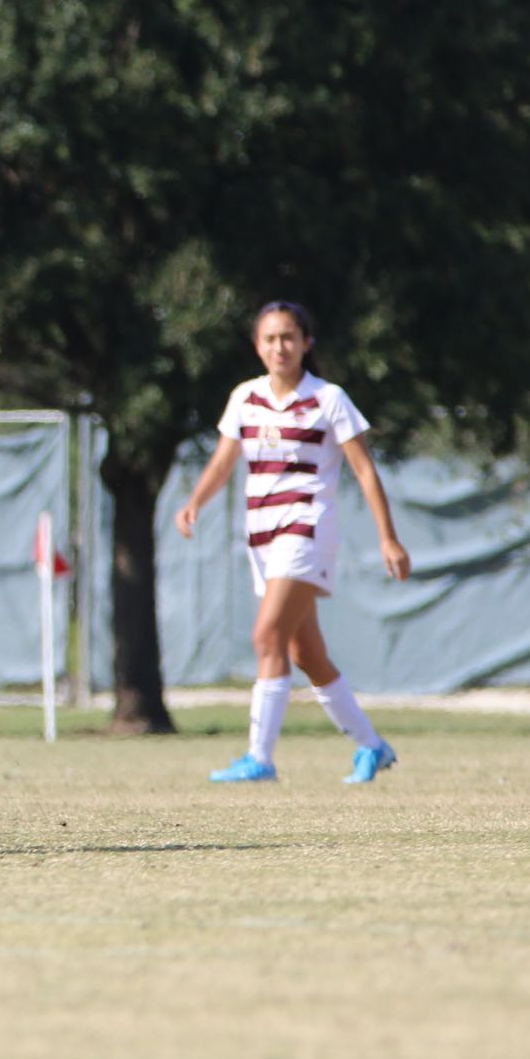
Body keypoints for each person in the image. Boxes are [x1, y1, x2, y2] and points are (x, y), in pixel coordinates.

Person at [176, 301, 412, 784]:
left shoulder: (328, 399)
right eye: (269, 339)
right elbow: (224, 460)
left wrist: (388, 537)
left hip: (306, 530)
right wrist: (195, 501)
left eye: (288, 337)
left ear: (307, 343)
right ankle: (371, 746)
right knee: (306, 652)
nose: (279, 347)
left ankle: (259, 758)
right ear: (257, 346)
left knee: (266, 636)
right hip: (261, 538)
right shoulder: (245, 397)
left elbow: (364, 470)